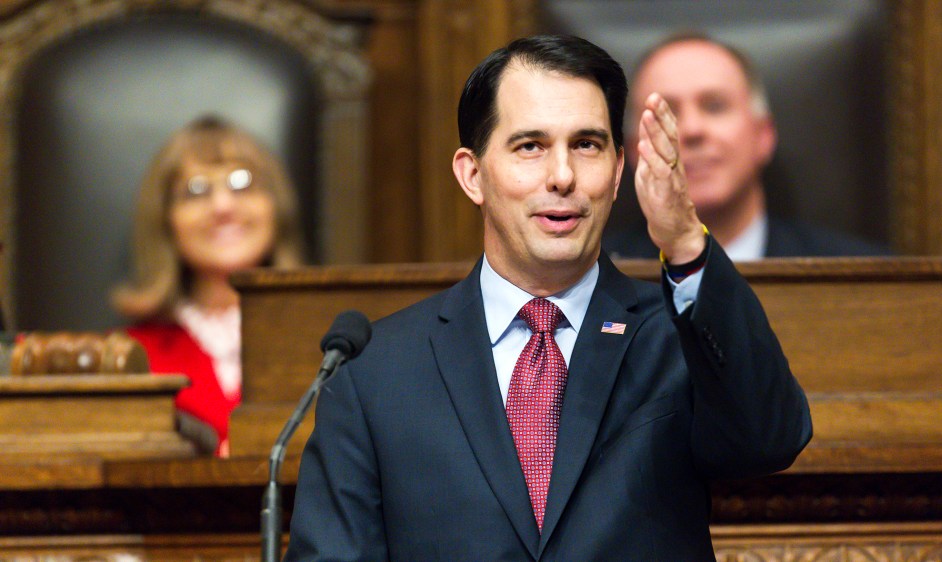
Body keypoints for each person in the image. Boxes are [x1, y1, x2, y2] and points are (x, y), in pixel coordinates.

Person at [286, 35, 811, 559]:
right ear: (473, 175)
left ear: (618, 170)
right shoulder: (375, 371)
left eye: (587, 145)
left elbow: (771, 438)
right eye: (530, 146)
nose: (562, 177)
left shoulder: (676, 336)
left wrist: (684, 242)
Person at [112, 116, 305, 457]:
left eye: (242, 184)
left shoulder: (327, 346)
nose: (223, 206)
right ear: (165, 221)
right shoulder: (131, 358)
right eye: (196, 191)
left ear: (276, 208)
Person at [603, 32, 889, 260]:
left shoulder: (860, 274)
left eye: (715, 106)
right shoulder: (593, 279)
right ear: (634, 149)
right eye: (666, 112)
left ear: (763, 135)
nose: (691, 130)